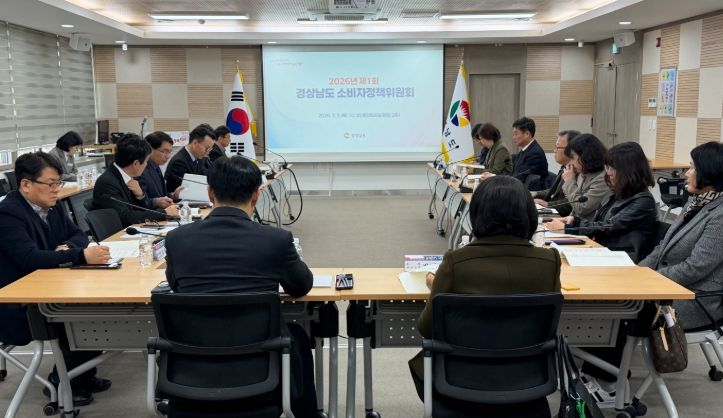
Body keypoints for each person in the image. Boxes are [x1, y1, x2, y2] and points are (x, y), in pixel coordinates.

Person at [164, 156, 317, 417]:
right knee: (299, 335)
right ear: (256, 195)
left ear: (210, 193)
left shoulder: (177, 239)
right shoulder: (276, 240)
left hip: (193, 363)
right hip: (261, 364)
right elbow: (301, 286)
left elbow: (176, 286)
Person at [409, 175, 561, 418]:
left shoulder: (456, 262)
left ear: (477, 214)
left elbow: (426, 328)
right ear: (529, 215)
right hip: (528, 376)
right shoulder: (549, 261)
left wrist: (435, 285)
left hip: (458, 377)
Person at [0, 152, 112, 406]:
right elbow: (29, 258)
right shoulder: (8, 215)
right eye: (50, 184)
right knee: (83, 314)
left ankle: (81, 374)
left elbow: (79, 235)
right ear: (26, 184)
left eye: (58, 183)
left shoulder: (52, 204)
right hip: (18, 303)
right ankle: (63, 381)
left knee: (98, 303)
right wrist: (78, 255)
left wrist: (67, 249)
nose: (56, 190)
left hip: (51, 285)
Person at [640, 141, 723, 330]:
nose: (686, 173)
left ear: (709, 172)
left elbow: (696, 267)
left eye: (692, 168)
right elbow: (662, 247)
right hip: (671, 287)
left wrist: (651, 279)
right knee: (619, 300)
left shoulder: (720, 214)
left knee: (625, 309)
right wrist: (638, 272)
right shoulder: (695, 202)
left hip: (696, 299)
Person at [547, 142, 657, 262]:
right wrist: (574, 220)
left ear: (628, 171)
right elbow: (600, 223)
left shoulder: (643, 201)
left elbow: (609, 227)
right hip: (604, 250)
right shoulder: (618, 194)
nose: (608, 173)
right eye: (607, 167)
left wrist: (568, 228)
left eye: (612, 168)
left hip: (623, 258)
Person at [92, 134, 179, 227]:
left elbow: (141, 208)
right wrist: (164, 213)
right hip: (118, 233)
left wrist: (140, 196)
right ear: (136, 164)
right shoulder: (107, 183)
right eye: (146, 161)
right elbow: (126, 217)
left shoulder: (130, 176)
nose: (146, 165)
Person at [555, 133, 609, 221]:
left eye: (573, 158)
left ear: (587, 156)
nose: (570, 163)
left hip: (588, 228)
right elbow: (573, 205)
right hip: (574, 223)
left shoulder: (603, 179)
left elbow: (581, 208)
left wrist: (569, 182)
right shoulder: (582, 174)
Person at [532, 130, 580, 216]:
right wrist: (536, 193)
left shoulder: (579, 172)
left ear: (571, 150)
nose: (554, 150)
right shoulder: (565, 167)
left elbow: (572, 202)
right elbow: (556, 191)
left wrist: (547, 205)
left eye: (557, 147)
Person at [139, 131, 183, 209]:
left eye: (170, 152)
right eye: (165, 151)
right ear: (150, 149)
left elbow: (161, 196)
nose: (168, 156)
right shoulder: (140, 170)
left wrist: (173, 196)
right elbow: (140, 202)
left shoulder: (156, 166)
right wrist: (156, 202)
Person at [165, 124, 214, 193]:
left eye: (210, 149)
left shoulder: (200, 157)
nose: (207, 152)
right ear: (195, 143)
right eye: (206, 148)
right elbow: (185, 191)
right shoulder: (179, 162)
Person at [511, 117, 548, 190]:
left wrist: (498, 179)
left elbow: (521, 177)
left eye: (516, 134)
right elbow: (514, 172)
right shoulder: (525, 150)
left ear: (527, 134)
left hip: (531, 192)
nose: (514, 137)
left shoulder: (535, 154)